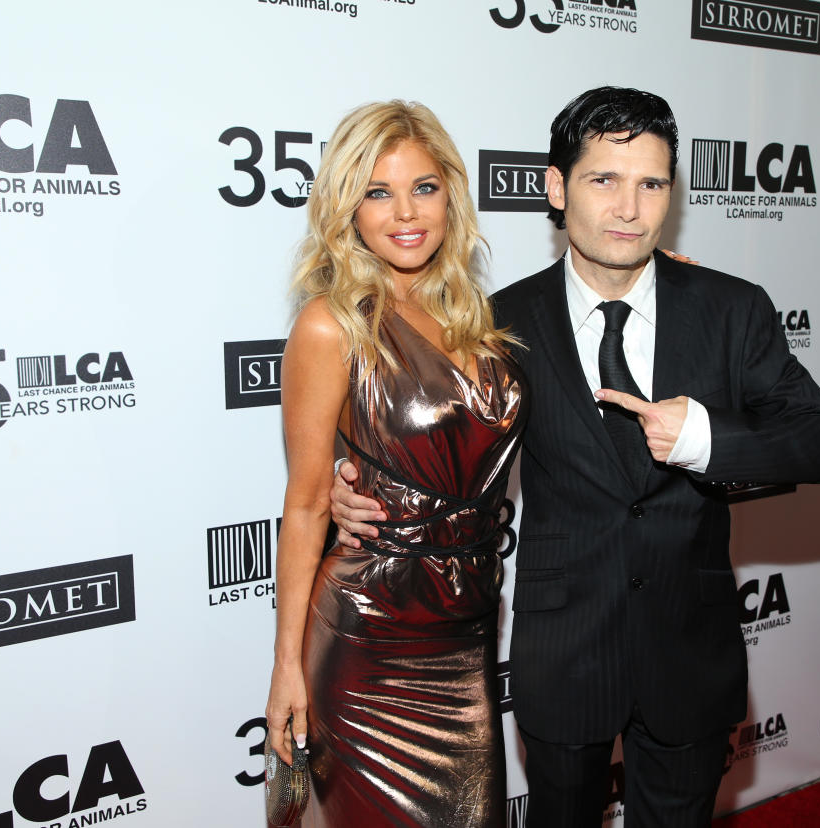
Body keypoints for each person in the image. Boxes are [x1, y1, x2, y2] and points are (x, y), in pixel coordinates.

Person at [330, 87, 820, 827]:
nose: (629, 209)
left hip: (689, 652)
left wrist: (704, 437)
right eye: (603, 180)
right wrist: (343, 491)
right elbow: (424, 438)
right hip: (564, 650)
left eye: (651, 184)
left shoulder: (730, 308)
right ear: (556, 186)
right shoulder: (495, 323)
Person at [265, 100, 527, 828]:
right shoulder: (332, 324)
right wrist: (287, 665)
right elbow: (310, 504)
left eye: (424, 186)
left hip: (467, 631)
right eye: (377, 192)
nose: (404, 212)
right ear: (348, 209)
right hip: (369, 638)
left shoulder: (479, 317)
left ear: (452, 192)